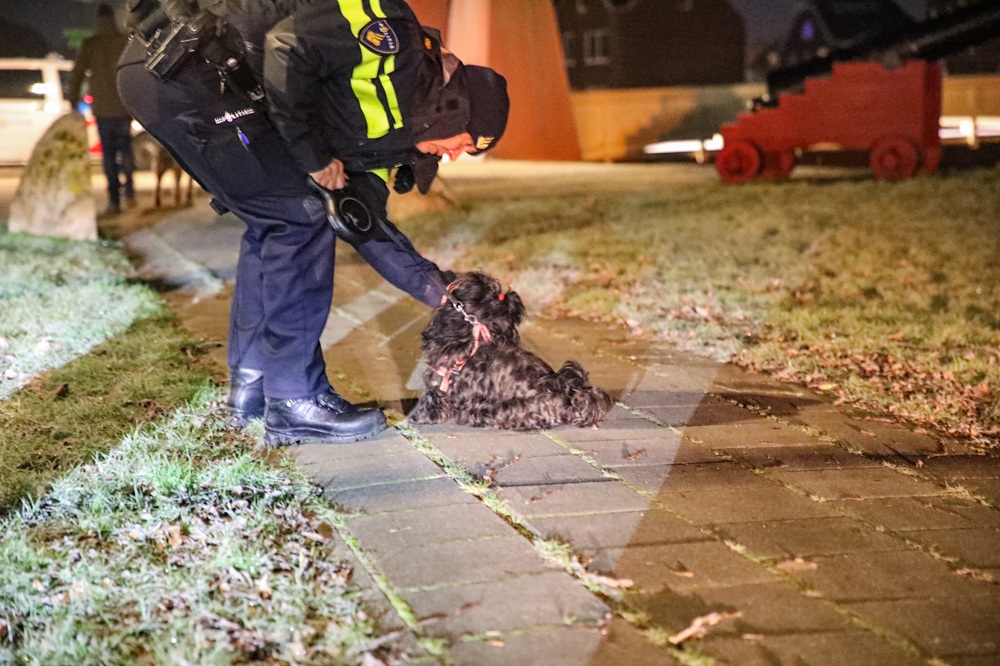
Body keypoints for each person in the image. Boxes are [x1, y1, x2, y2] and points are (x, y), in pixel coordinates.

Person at [116, 0, 509, 446]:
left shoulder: (392, 138)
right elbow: (286, 45)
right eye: (464, 143)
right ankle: (295, 399)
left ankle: (253, 390)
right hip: (184, 69)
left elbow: (362, 224)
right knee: (299, 218)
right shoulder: (392, 41)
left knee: (278, 220)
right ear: (454, 107)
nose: (455, 155)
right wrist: (314, 156)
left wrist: (444, 292)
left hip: (182, 77)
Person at [69, 3, 136, 217]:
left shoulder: (91, 44)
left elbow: (77, 74)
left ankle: (114, 199)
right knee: (126, 149)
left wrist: (72, 101)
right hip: (124, 106)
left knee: (108, 154)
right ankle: (131, 192)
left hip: (103, 109)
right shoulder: (124, 41)